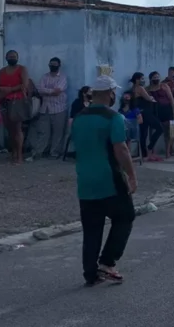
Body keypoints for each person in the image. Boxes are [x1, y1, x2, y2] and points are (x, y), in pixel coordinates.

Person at [71, 75, 136, 287]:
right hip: (109, 178)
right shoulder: (113, 118)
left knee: (92, 228)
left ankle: (90, 272)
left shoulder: (78, 117)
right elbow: (121, 149)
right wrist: (132, 175)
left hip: (85, 180)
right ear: (110, 93)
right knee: (125, 215)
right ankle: (108, 262)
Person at [32, 57, 68, 160]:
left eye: (55, 64)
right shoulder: (44, 77)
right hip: (45, 108)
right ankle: (39, 152)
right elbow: (39, 90)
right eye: (51, 64)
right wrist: (52, 91)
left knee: (58, 132)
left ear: (59, 65)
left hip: (59, 108)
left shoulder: (63, 77)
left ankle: (54, 153)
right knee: (43, 132)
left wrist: (46, 91)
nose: (53, 66)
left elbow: (58, 91)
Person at [0, 50, 29, 165]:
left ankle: (19, 156)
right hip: (4, 101)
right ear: (6, 58)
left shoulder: (22, 69)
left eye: (14, 56)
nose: (12, 58)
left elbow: (24, 85)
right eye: (10, 56)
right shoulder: (2, 71)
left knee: (17, 128)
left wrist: (9, 89)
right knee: (9, 129)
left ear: (17, 57)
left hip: (17, 101)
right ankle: (13, 153)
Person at [130, 73, 162, 161]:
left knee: (143, 134)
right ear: (137, 80)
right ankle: (150, 147)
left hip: (140, 113)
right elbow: (148, 98)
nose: (143, 80)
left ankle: (144, 154)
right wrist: (152, 98)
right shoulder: (140, 88)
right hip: (146, 113)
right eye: (142, 78)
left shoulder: (132, 89)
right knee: (159, 128)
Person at [147, 71, 174, 156]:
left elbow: (171, 99)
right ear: (151, 79)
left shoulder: (164, 86)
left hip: (168, 110)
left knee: (172, 131)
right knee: (159, 130)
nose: (156, 79)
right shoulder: (148, 89)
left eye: (157, 77)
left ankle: (168, 150)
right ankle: (152, 150)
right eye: (154, 77)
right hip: (156, 111)